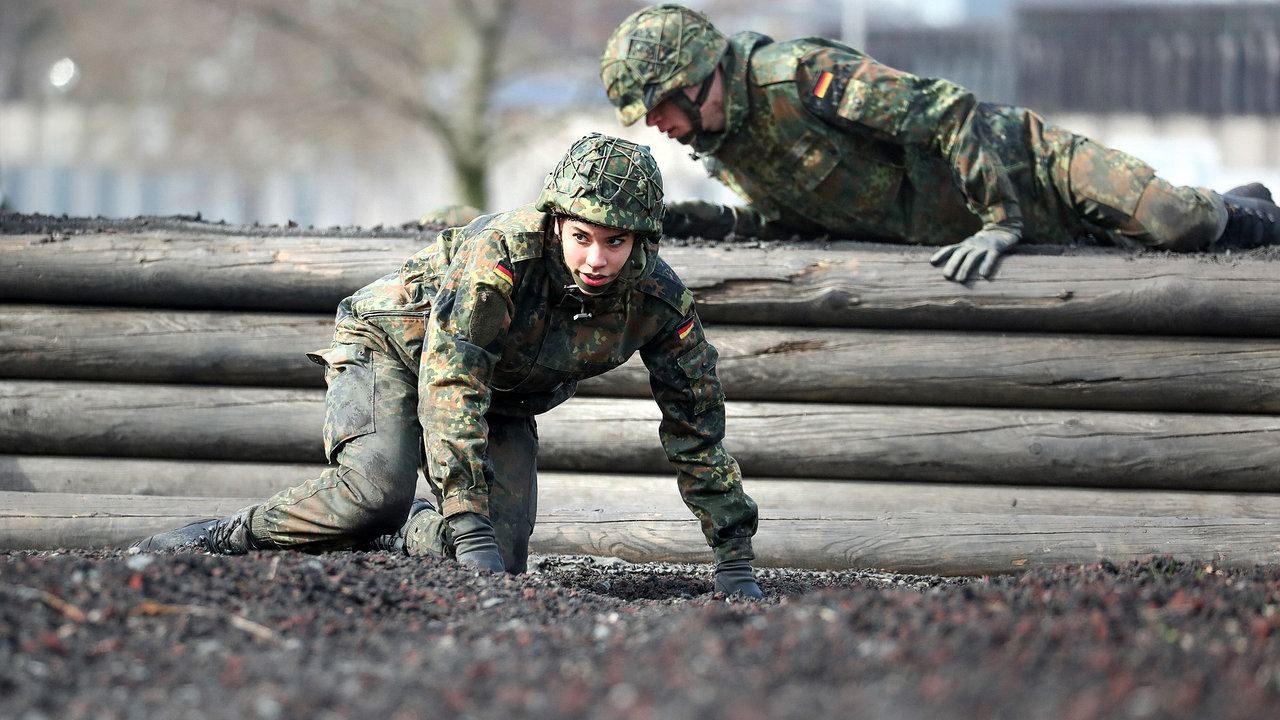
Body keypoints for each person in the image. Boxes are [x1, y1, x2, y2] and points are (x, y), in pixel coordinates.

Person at [131, 133, 764, 599]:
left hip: (504, 396)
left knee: (504, 557)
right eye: (582, 237)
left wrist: (733, 555)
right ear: (556, 225)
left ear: (642, 242)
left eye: (615, 242)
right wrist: (465, 519)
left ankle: (404, 531)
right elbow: (450, 375)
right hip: (396, 348)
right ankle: (228, 534)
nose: (596, 257)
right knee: (374, 495)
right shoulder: (502, 257)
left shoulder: (659, 301)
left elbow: (696, 424)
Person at [600, 3, 1280, 282]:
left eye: (660, 106)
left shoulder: (801, 78)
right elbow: (785, 221)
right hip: (957, 227)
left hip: (1032, 168)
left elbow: (949, 113)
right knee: (1131, 251)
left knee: (1176, 222)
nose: (659, 125)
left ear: (697, 80)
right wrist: (698, 222)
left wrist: (1000, 222)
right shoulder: (727, 145)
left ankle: (1245, 212)